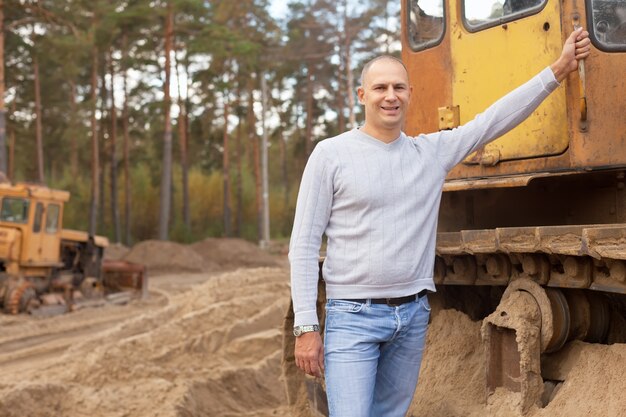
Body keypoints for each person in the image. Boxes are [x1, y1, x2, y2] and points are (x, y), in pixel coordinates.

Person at [289, 28, 591, 417]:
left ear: (410, 94)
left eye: (399, 87)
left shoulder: (429, 153)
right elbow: (303, 245)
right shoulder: (330, 155)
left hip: (411, 317)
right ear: (362, 96)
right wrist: (306, 327)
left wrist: (560, 68)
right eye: (380, 87)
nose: (390, 95)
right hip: (352, 318)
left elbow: (494, 120)